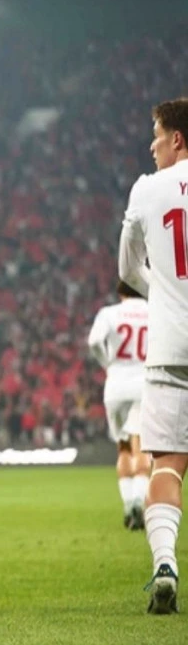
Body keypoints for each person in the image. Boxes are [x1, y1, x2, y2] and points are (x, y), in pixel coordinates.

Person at [118, 97, 188, 615]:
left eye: (157, 135)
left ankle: (165, 566)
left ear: (177, 139)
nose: (152, 145)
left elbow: (127, 269)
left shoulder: (147, 188)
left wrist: (162, 290)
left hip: (170, 347)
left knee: (166, 464)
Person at [87, 281, 151, 529]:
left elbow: (94, 342)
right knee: (142, 446)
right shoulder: (154, 311)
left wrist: (108, 364)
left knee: (123, 447)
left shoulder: (109, 313)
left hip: (116, 385)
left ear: (121, 292)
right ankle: (138, 502)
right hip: (145, 384)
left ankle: (128, 505)